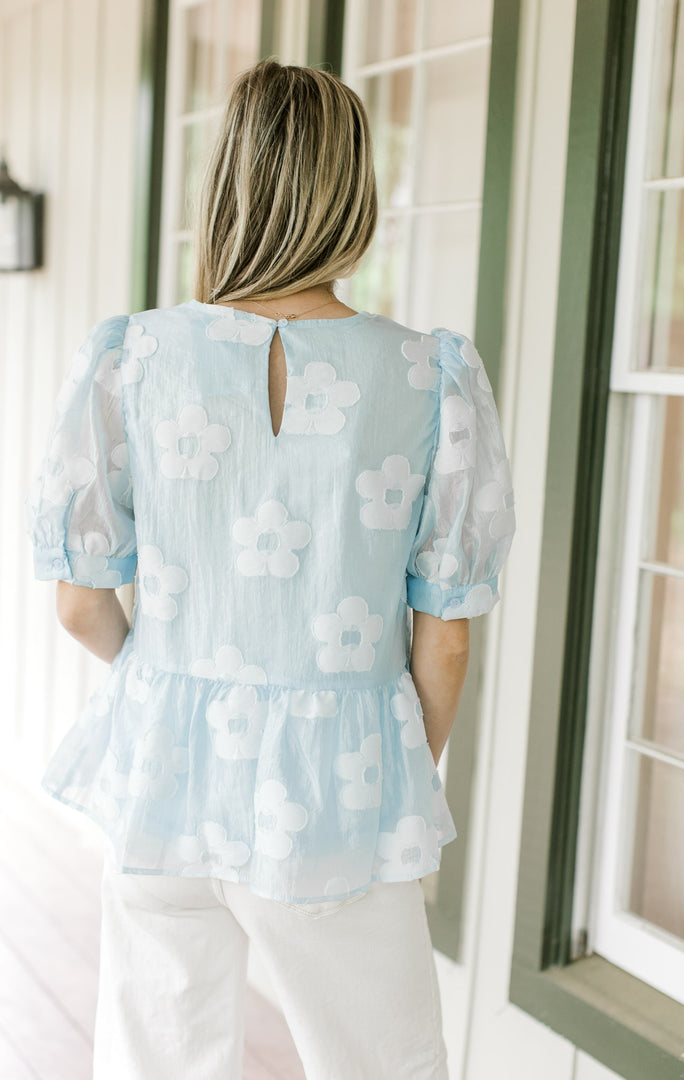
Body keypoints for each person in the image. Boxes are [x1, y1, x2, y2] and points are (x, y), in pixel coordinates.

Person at [24, 58, 516, 1080]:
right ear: (354, 194)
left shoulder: (130, 358)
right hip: (341, 784)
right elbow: (448, 638)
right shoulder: (430, 375)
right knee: (385, 1064)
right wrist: (391, 770)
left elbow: (80, 605)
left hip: (163, 773)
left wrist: (162, 689)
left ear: (225, 191)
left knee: (154, 1059)